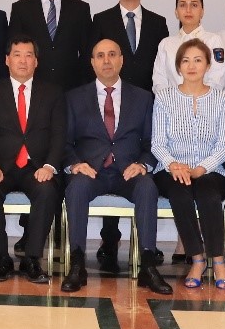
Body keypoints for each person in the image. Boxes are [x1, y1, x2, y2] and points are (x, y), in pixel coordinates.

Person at [59, 38, 169, 295]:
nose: (106, 60)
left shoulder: (143, 98)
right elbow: (64, 142)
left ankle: (148, 265)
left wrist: (143, 164)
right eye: (100, 55)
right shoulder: (74, 98)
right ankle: (77, 263)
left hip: (128, 171)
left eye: (112, 54)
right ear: (92, 62)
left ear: (121, 60)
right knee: (76, 188)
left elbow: (151, 142)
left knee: (147, 187)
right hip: (91, 171)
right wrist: (75, 164)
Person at [0, 34, 66, 284]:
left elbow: (59, 135)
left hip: (36, 167)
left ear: (36, 61)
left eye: (29, 56)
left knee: (47, 191)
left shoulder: (53, 93)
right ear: (7, 60)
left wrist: (49, 166)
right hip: (2, 167)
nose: (23, 61)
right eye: (17, 55)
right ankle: (0, 258)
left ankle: (32, 259)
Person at [150, 39, 225, 291]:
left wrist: (201, 168)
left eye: (198, 60)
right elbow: (157, 143)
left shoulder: (222, 98)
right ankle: (197, 259)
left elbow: (224, 145)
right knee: (179, 193)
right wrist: (173, 164)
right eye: (185, 61)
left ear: (208, 65)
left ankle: (218, 261)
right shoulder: (164, 97)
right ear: (178, 66)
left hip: (212, 169)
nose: (192, 66)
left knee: (208, 193)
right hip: (171, 169)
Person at [8, 0, 93, 91]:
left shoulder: (80, 9)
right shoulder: (21, 9)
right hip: (33, 89)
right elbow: (14, 51)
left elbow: (87, 53)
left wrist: (84, 88)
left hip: (71, 88)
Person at [89, 0, 169, 92]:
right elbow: (92, 61)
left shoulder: (158, 23)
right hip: (112, 95)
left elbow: (164, 64)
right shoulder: (101, 20)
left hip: (149, 95)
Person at [153, 0, 225, 95]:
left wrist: (198, 100)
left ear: (202, 12)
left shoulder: (213, 40)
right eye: (183, 5)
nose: (188, 10)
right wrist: (172, 100)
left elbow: (217, 78)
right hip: (172, 103)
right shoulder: (166, 44)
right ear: (176, 12)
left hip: (206, 103)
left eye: (194, 5)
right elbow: (159, 80)